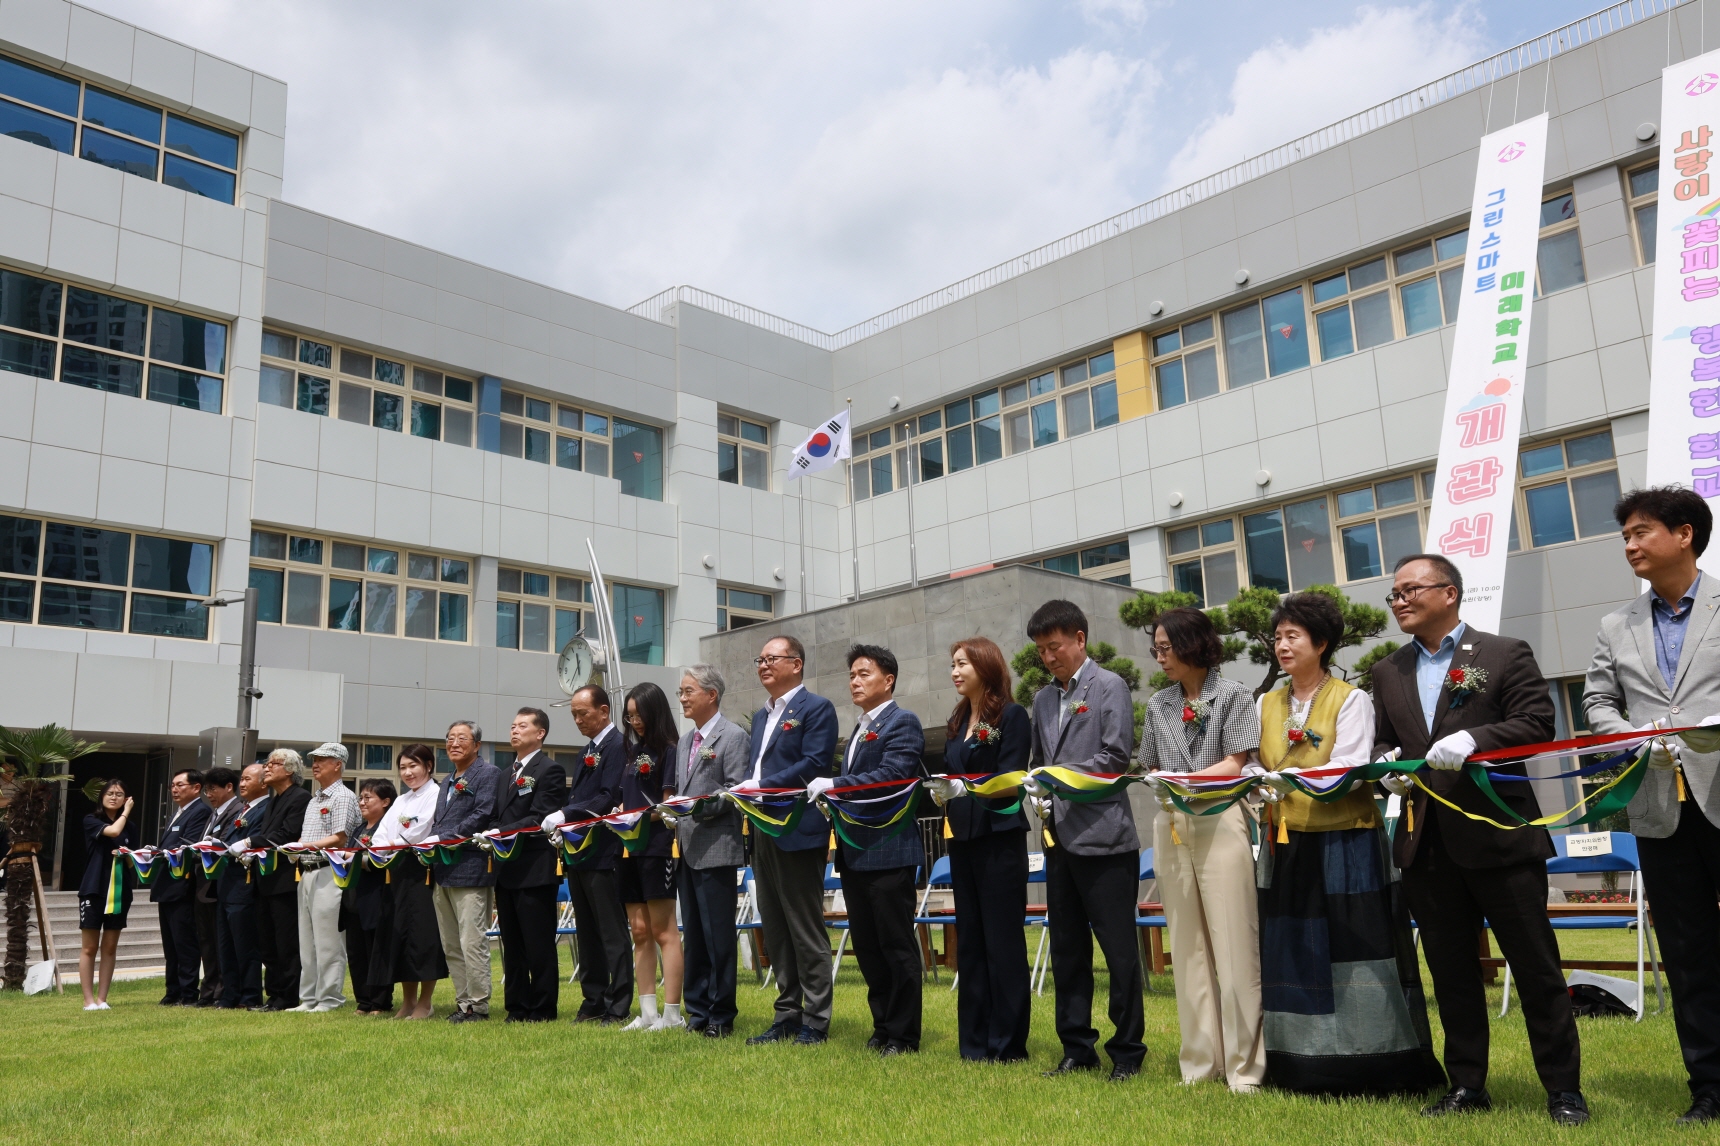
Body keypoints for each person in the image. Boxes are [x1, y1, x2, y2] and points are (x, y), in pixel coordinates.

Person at [1371, 553, 1585, 1125]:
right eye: (1393, 595)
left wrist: (1476, 738)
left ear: (1449, 593)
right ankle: (1467, 1085)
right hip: (1425, 842)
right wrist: (1384, 765)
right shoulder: (1388, 670)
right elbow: (1385, 742)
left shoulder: (1502, 652)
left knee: (1536, 968)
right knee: (1452, 971)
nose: (1399, 602)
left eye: (1410, 590)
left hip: (1499, 837)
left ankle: (1564, 1091)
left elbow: (1539, 724)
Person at [1248, 593, 1442, 1095]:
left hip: (1345, 846)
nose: (1282, 646)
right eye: (1277, 637)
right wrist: (1256, 778)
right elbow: (1254, 763)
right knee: (1290, 951)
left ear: (1322, 642)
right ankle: (1296, 1066)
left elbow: (1353, 769)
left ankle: (1372, 1065)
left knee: (1359, 954)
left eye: (1293, 636)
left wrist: (1286, 778)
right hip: (1284, 844)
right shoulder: (1265, 702)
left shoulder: (1351, 699)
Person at [1582, 487, 1720, 1125]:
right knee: (1688, 950)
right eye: (1626, 536)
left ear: (1684, 534)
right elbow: (1597, 701)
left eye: (1641, 533)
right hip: (1660, 806)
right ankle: (1709, 1086)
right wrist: (1626, 733)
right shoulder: (1617, 626)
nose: (1630, 546)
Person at [1134, 607, 1264, 1092]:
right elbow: (1147, 763)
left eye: (1166, 648)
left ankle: (1244, 1068)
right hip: (1170, 823)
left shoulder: (1232, 695)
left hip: (1220, 819)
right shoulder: (1157, 704)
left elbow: (1236, 762)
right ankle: (1198, 1062)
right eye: (1157, 649)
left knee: (1234, 944)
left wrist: (1182, 780)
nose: (1160, 657)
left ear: (1193, 644)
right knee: (1186, 947)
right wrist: (1164, 784)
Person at [1025, 599, 1145, 1082]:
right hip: (1057, 839)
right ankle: (1076, 1047)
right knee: (1068, 951)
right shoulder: (1039, 699)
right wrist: (1036, 784)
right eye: (1040, 650)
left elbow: (1114, 759)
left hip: (1106, 841)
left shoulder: (1108, 686)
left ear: (1080, 639)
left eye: (1055, 646)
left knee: (1118, 954)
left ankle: (1128, 1052)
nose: (1049, 657)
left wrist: (1054, 774)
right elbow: (1038, 757)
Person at [807, 644, 925, 1054]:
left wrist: (836, 786)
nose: (855, 682)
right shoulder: (858, 727)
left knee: (895, 943)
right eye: (852, 675)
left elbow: (893, 775)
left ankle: (905, 1034)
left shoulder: (902, 721)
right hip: (856, 851)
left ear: (888, 680)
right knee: (869, 946)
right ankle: (882, 1027)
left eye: (864, 674)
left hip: (890, 849)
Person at [927, 637, 1033, 1063]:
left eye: (962, 664)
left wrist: (965, 786)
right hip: (963, 838)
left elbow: (1011, 776)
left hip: (999, 836)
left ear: (985, 667)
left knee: (1003, 942)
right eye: (952, 664)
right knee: (969, 940)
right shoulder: (957, 718)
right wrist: (943, 791)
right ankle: (973, 1043)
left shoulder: (1011, 715)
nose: (954, 672)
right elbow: (954, 771)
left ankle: (1006, 1045)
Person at [742, 634, 839, 1046]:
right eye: (759, 659)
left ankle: (815, 1019)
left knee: (803, 926)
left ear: (796, 664)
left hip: (797, 828)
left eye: (771, 658)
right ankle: (787, 1013)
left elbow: (814, 764)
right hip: (763, 827)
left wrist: (761, 786)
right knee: (776, 927)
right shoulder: (762, 716)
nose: (763, 665)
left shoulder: (816, 708)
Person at [543, 686, 634, 1024]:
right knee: (587, 932)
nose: (578, 720)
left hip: (605, 849)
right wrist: (564, 819)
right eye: (574, 715)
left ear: (605, 711)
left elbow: (609, 797)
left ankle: (619, 1002)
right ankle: (593, 998)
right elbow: (578, 795)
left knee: (611, 931)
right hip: (578, 850)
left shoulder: (619, 746)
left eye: (583, 713)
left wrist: (568, 815)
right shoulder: (586, 752)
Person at [672, 664, 750, 1038]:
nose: (683, 698)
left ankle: (721, 1015)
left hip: (717, 846)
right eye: (681, 692)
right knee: (696, 937)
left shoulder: (733, 736)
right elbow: (680, 787)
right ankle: (698, 1011)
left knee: (718, 936)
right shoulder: (686, 742)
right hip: (687, 847)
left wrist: (694, 806)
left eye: (688, 691)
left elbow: (735, 791)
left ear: (711, 695)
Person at [487, 707, 567, 1023]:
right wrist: (493, 831)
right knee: (513, 943)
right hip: (506, 868)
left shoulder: (550, 770)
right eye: (512, 725)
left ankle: (543, 1008)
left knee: (538, 942)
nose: (515, 730)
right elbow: (495, 815)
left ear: (540, 733)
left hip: (534, 868)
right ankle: (517, 1007)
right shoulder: (505, 773)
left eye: (522, 725)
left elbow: (539, 816)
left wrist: (501, 832)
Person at [617, 682, 685, 1031]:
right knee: (639, 931)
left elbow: (668, 804)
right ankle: (647, 1013)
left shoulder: (670, 749)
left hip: (657, 847)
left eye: (639, 715)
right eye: (629, 718)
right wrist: (621, 812)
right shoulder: (632, 753)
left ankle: (672, 1014)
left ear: (654, 711)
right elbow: (630, 797)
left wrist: (639, 816)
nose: (635, 722)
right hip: (629, 847)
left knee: (663, 930)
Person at [371, 744, 447, 1019]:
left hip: (422, 869)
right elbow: (381, 832)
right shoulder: (401, 800)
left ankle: (425, 1002)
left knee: (423, 937)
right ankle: (408, 1001)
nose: (407, 772)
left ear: (428, 765)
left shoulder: (437, 794)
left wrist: (391, 843)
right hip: (398, 870)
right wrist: (384, 846)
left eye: (413, 766)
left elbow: (421, 829)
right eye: (402, 767)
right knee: (399, 934)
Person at [431, 719, 499, 1024]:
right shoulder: (446, 780)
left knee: (473, 940)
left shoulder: (488, 774)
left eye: (461, 738)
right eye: (449, 738)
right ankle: (463, 1003)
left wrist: (443, 838)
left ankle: (479, 1005)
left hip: (471, 868)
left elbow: (482, 814)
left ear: (476, 745)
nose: (453, 743)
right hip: (442, 869)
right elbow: (438, 821)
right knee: (450, 942)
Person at [234, 748, 311, 1012]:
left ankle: (287, 996)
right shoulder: (275, 798)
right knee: (268, 942)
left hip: (285, 880)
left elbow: (287, 834)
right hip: (265, 878)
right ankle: (274, 995)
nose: (266, 768)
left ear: (289, 770)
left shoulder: (299, 798)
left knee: (285, 942)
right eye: (266, 764)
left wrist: (249, 842)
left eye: (273, 764)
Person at [285, 744, 361, 1013]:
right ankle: (308, 999)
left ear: (337, 764)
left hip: (330, 872)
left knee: (329, 941)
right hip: (306, 871)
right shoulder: (314, 798)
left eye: (321, 760)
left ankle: (330, 998)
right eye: (313, 760)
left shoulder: (343, 796)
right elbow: (309, 838)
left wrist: (304, 846)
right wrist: (298, 848)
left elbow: (340, 837)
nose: (314, 764)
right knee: (307, 940)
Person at [154, 768, 212, 1007]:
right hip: (166, 886)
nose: (175, 790)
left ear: (196, 788)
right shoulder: (178, 813)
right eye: (173, 786)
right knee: (170, 944)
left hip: (183, 885)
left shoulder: (200, 811)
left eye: (180, 785)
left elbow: (186, 846)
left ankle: (188, 992)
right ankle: (172, 990)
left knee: (184, 942)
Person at [214, 763, 269, 1009]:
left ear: (264, 783)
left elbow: (258, 841)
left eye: (248, 779)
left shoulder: (266, 808)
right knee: (226, 944)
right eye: (242, 779)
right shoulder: (243, 810)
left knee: (245, 944)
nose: (242, 784)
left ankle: (250, 995)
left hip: (245, 883)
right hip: (227, 883)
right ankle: (230, 994)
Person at [78, 779, 134, 1011]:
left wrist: (128, 855)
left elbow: (132, 864)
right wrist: (127, 811)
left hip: (120, 891)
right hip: (94, 889)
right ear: (101, 797)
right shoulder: (92, 820)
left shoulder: (131, 827)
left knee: (110, 947)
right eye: (110, 793)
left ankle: (102, 999)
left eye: (119, 794)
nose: (114, 797)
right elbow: (113, 831)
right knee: (89, 947)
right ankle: (88, 1000)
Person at [344, 778, 396, 1016]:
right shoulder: (359, 828)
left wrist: (359, 860)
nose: (362, 803)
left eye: (368, 798)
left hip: (377, 894)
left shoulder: (388, 827)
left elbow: (385, 860)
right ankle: (363, 1001)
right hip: (354, 895)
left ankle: (380, 1002)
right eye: (361, 798)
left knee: (377, 949)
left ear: (386, 802)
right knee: (356, 951)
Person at [198, 767, 246, 1008]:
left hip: (227, 883)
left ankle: (224, 990)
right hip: (207, 885)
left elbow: (229, 845)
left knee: (225, 944)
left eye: (213, 789)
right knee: (209, 942)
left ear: (229, 787)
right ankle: (210, 990)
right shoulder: (214, 813)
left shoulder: (238, 810)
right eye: (206, 790)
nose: (209, 794)